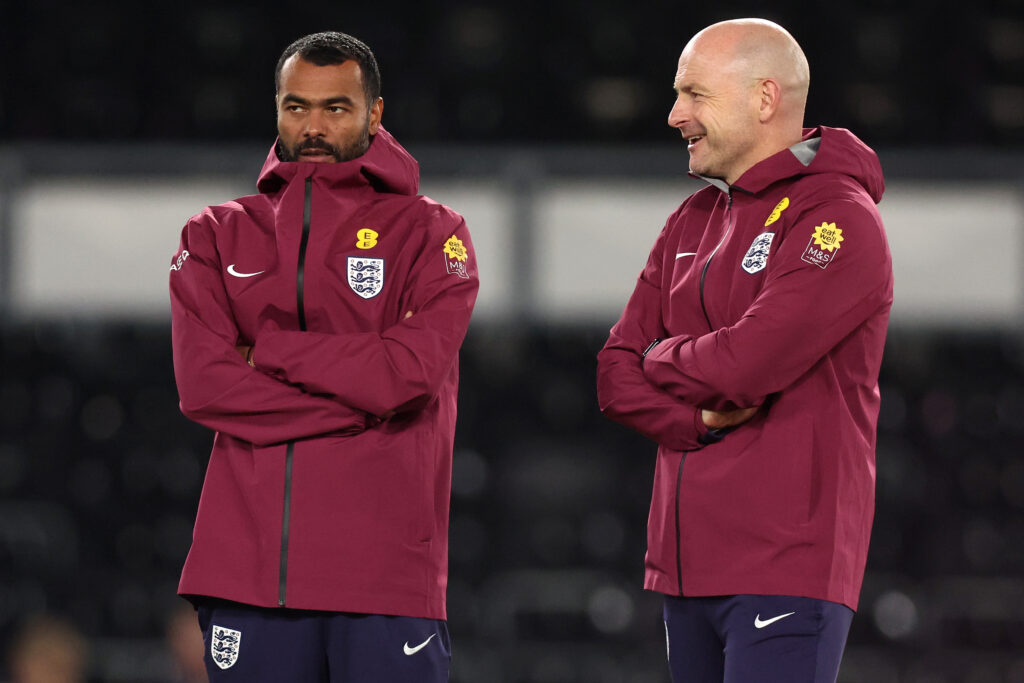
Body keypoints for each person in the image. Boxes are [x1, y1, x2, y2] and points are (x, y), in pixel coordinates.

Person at [168, 31, 478, 682]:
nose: (312, 125)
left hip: (383, 581)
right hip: (247, 577)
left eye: (335, 107)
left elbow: (408, 373)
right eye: (295, 106)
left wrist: (271, 350)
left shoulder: (433, 232)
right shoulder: (215, 232)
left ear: (375, 114)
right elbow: (204, 386)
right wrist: (362, 406)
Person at [596, 18, 893, 683]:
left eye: (694, 94)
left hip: (786, 564)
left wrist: (660, 356)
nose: (675, 116)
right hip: (682, 562)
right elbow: (613, 375)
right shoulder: (690, 219)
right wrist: (692, 420)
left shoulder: (838, 218)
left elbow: (745, 366)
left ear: (764, 98)